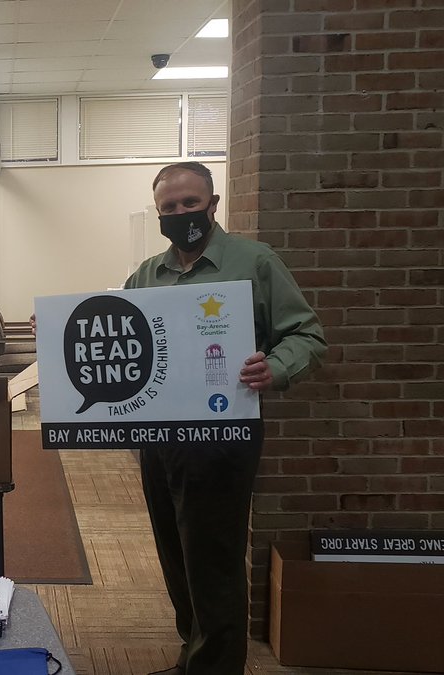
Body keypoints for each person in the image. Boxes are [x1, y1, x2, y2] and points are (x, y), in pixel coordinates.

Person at [124, 162, 326, 675]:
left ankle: (216, 668)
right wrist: (68, 331)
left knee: (212, 559)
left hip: (222, 433)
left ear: (212, 204)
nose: (180, 213)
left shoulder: (254, 261)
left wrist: (276, 367)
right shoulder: (147, 274)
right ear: (159, 214)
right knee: (175, 556)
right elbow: (124, 335)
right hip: (158, 435)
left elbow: (306, 334)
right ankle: (193, 654)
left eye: (190, 203)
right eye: (169, 207)